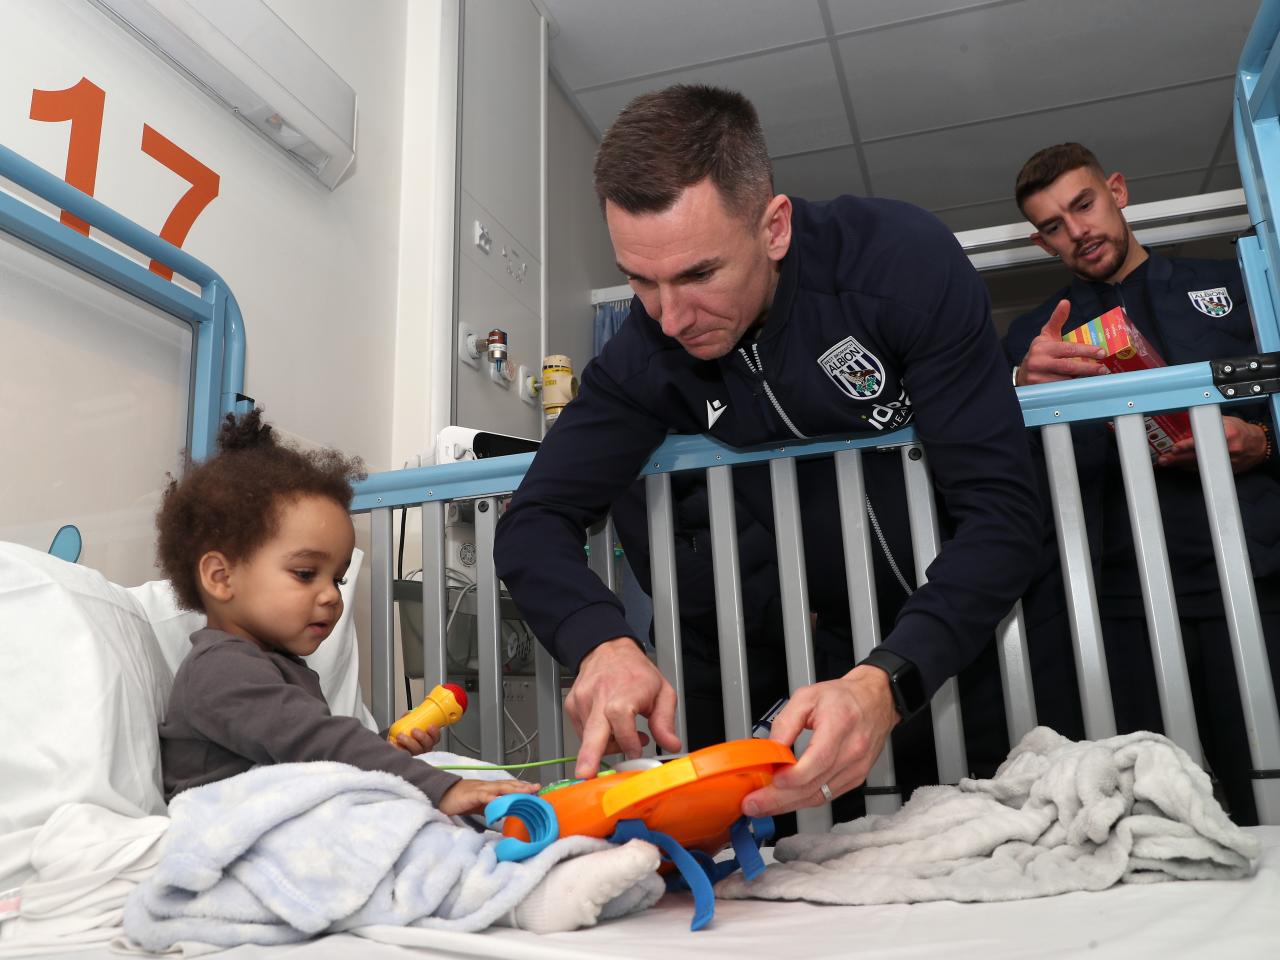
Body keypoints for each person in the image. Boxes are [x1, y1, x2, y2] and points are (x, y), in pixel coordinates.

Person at [494, 84, 1043, 818]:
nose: (670, 317)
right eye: (640, 281)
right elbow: (534, 522)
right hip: (814, 660)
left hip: (965, 632)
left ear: (774, 227)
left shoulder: (897, 264)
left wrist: (887, 683)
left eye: (698, 274)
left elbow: (1003, 513)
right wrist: (603, 644)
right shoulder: (645, 350)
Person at [1003, 142, 1280, 823]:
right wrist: (1017, 387)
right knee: (1150, 802)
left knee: (1270, 778)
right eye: (1054, 227)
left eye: (1084, 205)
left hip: (1255, 574)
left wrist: (1266, 439)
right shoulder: (1034, 338)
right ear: (1041, 243)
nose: (1078, 232)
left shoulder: (1236, 285)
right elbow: (990, 459)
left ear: (1118, 191)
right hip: (1122, 601)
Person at [155, 409, 537, 815]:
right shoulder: (222, 670)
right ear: (221, 577)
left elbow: (320, 757)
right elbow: (319, 742)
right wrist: (441, 788)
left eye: (336, 579)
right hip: (229, 825)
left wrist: (386, 746)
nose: (331, 597)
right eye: (305, 574)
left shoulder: (276, 665)